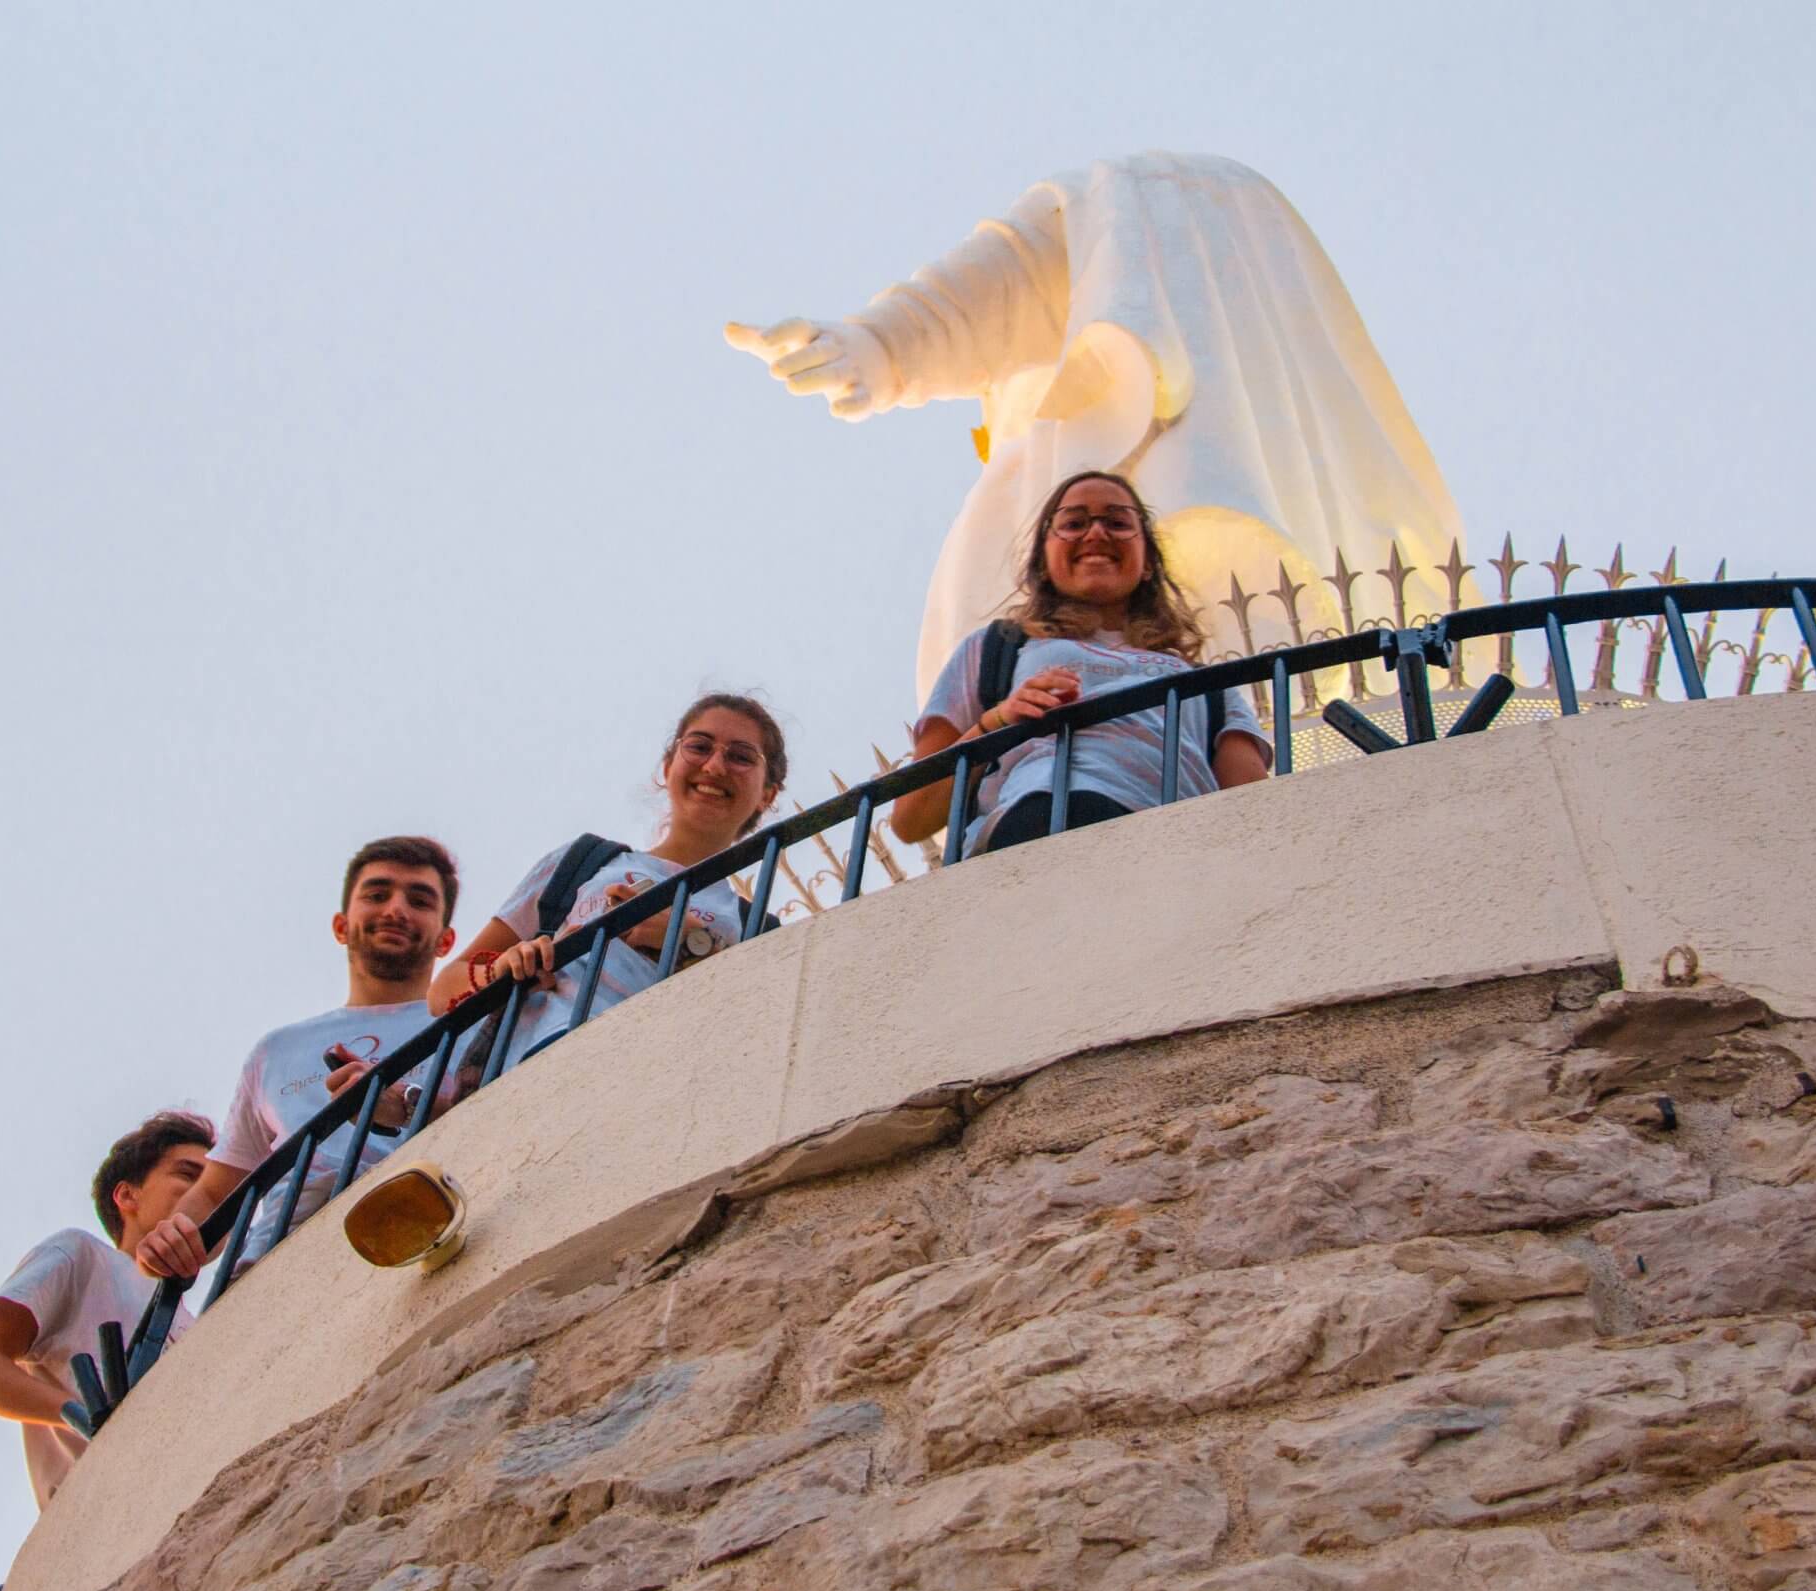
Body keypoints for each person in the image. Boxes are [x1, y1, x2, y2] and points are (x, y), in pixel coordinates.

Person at [725, 148, 1463, 702]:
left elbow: (1014, 271)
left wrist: (883, 345)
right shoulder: (1138, 199)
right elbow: (1010, 275)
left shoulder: (1157, 206)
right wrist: (882, 344)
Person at [890, 470, 1271, 855]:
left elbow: (1256, 814)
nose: (1095, 533)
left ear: (1148, 563)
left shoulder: (1209, 686)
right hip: (1039, 825)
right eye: (1073, 523)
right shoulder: (996, 649)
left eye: (1118, 522)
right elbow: (911, 817)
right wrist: (999, 722)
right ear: (1043, 561)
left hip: (1178, 847)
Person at [136, 835, 463, 1281]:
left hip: (425, 1249)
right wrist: (172, 1239)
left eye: (420, 899)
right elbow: (216, 1194)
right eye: (377, 894)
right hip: (275, 1279)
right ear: (341, 926)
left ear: (446, 940)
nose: (396, 909)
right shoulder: (277, 1052)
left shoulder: (474, 1022)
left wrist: (402, 1103)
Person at [430, 693, 786, 1065]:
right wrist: (502, 972)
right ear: (667, 767)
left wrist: (690, 942)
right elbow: (442, 991)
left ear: (767, 794)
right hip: (535, 1069)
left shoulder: (757, 927)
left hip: (661, 1079)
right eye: (699, 746)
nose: (714, 767)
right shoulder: (584, 862)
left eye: (741, 756)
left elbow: (761, 1034)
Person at [0, 1112, 211, 1510]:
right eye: (188, 1175)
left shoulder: (199, 1322)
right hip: (102, 1523)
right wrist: (83, 1415)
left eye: (216, 1184)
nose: (205, 1193)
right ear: (127, 1196)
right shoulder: (82, 1257)